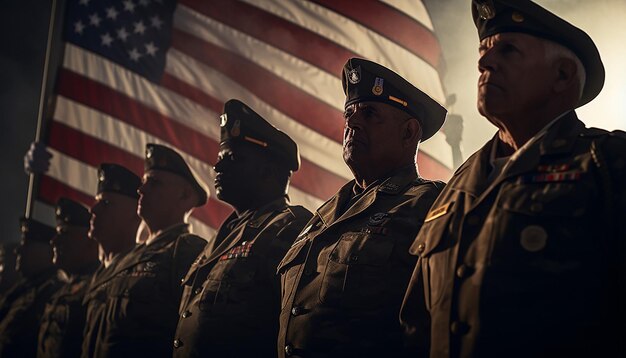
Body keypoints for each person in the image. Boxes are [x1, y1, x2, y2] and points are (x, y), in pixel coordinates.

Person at [400, 1, 626, 357]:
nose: (484, 63)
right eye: (484, 51)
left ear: (563, 76)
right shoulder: (457, 185)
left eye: (508, 50)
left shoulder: (608, 163)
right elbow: (418, 325)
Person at [277, 58, 447, 357]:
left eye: (370, 114)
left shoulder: (428, 204)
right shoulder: (321, 217)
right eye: (349, 115)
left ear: (409, 132)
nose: (352, 123)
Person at [173, 99, 313, 357]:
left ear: (268, 172)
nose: (217, 166)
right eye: (219, 158)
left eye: (232, 158)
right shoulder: (221, 237)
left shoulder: (290, 228)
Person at [93, 144, 207, 357]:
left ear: (185, 196)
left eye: (154, 183)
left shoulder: (187, 252)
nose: (141, 190)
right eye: (144, 183)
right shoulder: (128, 258)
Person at [81, 163, 142, 358]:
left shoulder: (138, 274)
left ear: (136, 214)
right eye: (97, 201)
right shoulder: (97, 274)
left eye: (106, 203)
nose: (94, 210)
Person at [37, 198, 100, 358]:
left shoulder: (96, 287)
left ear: (90, 241)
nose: (54, 241)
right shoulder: (63, 288)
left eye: (65, 233)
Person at [0, 218, 62, 357]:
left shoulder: (49, 293)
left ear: (47, 252)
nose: (18, 250)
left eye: (27, 243)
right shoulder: (22, 288)